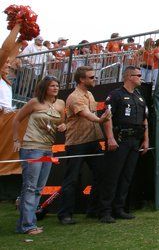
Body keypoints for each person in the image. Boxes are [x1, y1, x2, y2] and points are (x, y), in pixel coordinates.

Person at [57, 66, 111, 225]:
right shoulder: (74, 97)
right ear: (82, 79)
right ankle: (65, 215)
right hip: (77, 143)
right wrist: (101, 120)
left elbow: (91, 114)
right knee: (72, 180)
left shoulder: (90, 94)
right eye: (92, 77)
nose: (95, 79)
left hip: (93, 141)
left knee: (101, 175)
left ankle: (94, 210)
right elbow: (87, 115)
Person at [12, 76, 66, 235]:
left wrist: (63, 126)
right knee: (30, 187)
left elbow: (61, 123)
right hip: (31, 147)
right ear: (45, 88)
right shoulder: (34, 102)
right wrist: (16, 139)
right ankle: (27, 226)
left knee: (38, 189)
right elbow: (17, 120)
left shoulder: (60, 104)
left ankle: (26, 223)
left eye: (57, 85)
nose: (55, 88)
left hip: (48, 148)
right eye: (52, 86)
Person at [99, 66, 149, 223]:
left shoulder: (139, 96)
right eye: (138, 75)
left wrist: (146, 139)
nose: (141, 77)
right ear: (129, 76)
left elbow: (144, 119)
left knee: (127, 176)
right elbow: (107, 116)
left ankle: (119, 208)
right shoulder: (116, 94)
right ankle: (105, 211)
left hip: (135, 141)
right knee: (112, 176)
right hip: (119, 140)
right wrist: (110, 138)